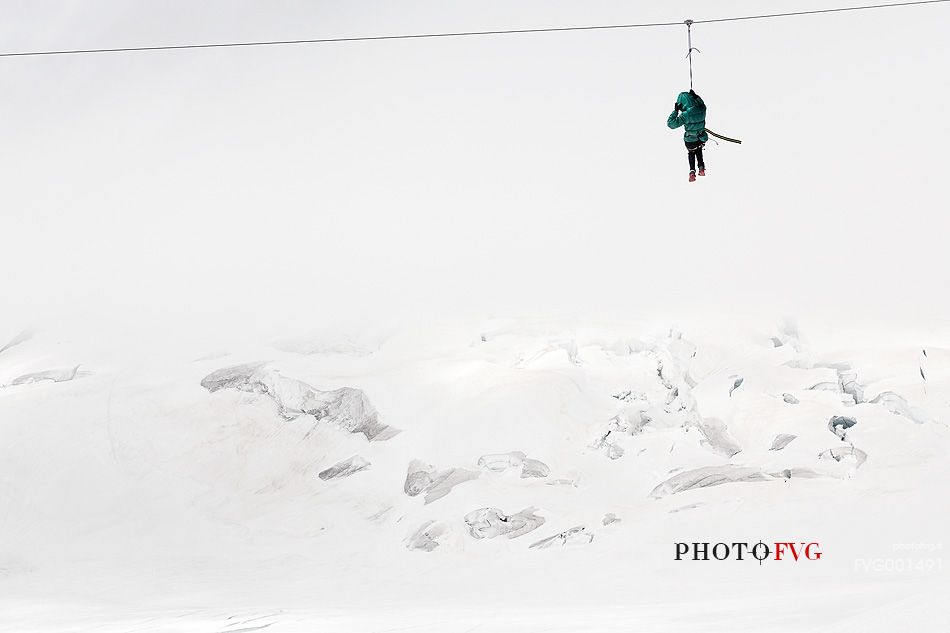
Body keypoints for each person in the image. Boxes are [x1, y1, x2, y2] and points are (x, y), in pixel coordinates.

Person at [667, 89, 708, 182]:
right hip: (701, 138)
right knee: (699, 150)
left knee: (691, 152)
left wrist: (675, 111)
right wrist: (696, 96)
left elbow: (671, 124)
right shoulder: (702, 108)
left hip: (690, 141)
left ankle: (692, 171)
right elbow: (701, 103)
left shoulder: (686, 115)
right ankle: (701, 168)